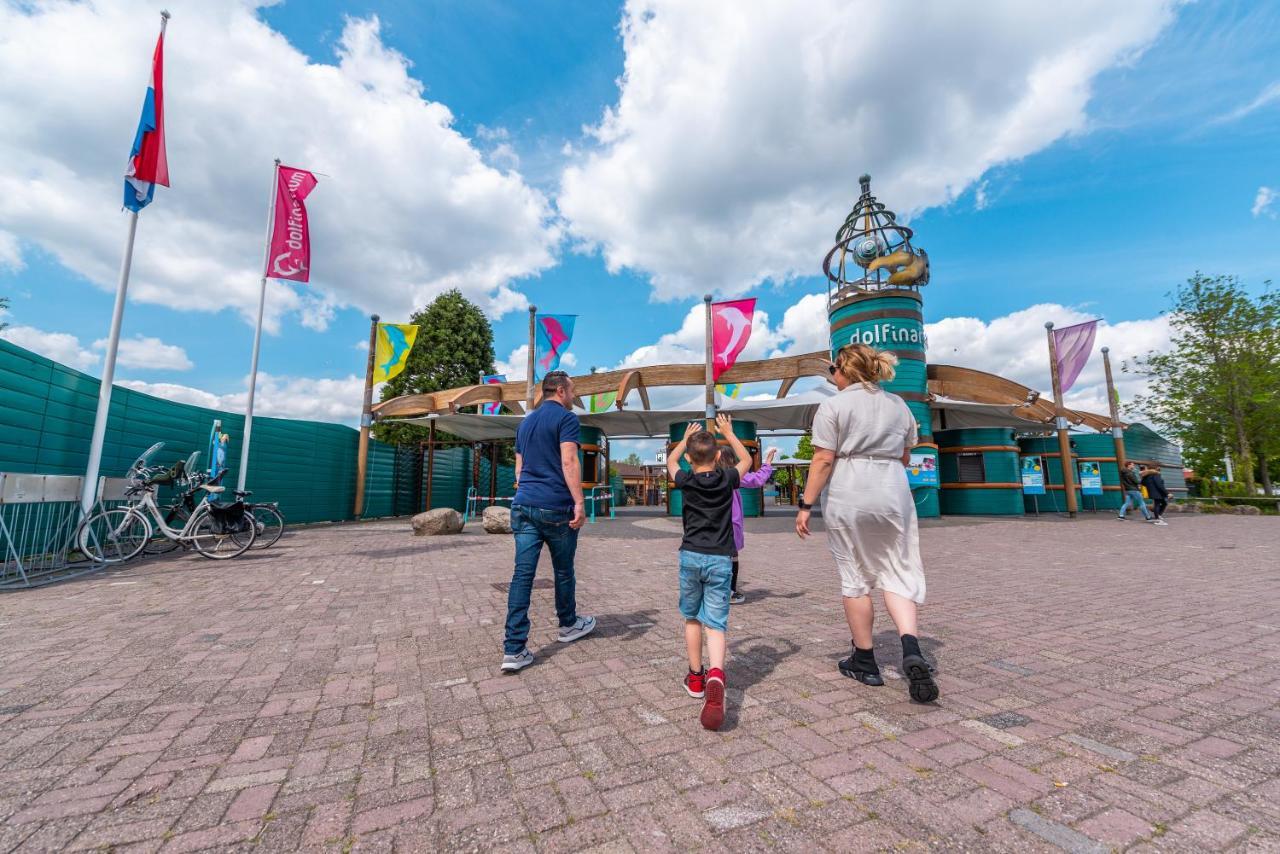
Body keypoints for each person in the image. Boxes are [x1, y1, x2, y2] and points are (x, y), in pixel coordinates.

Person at [795, 343, 939, 704]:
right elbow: (907, 454)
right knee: (898, 570)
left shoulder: (834, 405)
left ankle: (865, 660)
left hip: (850, 489)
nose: (832, 376)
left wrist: (805, 504)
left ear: (844, 370)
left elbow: (824, 459)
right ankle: (911, 647)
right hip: (892, 488)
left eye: (833, 370)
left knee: (855, 577)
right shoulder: (899, 406)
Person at [500, 371, 596, 672]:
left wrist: (528, 487)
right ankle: (568, 624)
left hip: (524, 504)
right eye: (572, 390)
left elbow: (519, 467)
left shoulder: (525, 422)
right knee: (563, 570)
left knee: (522, 576)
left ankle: (514, 650)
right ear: (559, 391)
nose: (573, 396)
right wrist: (579, 502)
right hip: (555, 506)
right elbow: (569, 461)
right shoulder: (566, 420)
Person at [667, 414, 752, 730]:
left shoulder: (685, 480)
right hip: (720, 560)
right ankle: (717, 673)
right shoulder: (728, 479)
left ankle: (696, 677)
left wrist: (683, 441)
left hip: (690, 556)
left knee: (692, 617)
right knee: (715, 623)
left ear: (690, 459)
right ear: (718, 457)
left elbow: (670, 460)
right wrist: (729, 432)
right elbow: (745, 458)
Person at [717, 445, 776, 604]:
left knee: (717, 558)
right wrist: (768, 463)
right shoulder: (734, 475)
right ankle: (729, 592)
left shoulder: (707, 475)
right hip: (730, 525)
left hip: (712, 525)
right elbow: (758, 479)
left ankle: (715, 592)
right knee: (731, 557)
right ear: (731, 459)